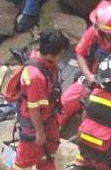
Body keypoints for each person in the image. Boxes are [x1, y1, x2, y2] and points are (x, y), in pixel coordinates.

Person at [59, 0, 111, 127]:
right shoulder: (95, 33)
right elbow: (80, 54)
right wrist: (89, 76)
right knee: (65, 104)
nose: (96, 27)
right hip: (93, 78)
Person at [7, 30, 69, 170]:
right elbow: (34, 108)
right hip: (36, 124)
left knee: (49, 152)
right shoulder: (35, 76)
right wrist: (40, 131)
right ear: (57, 53)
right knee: (23, 161)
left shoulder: (46, 63)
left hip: (49, 117)